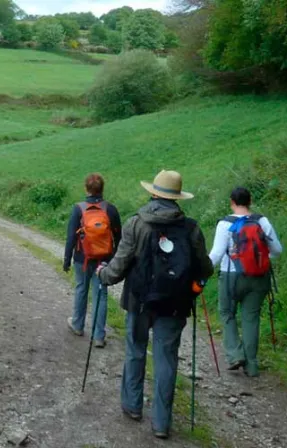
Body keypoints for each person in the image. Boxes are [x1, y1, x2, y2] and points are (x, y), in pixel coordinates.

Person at [96, 170, 213, 439]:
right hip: (174, 305)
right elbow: (205, 269)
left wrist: (103, 274)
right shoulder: (191, 228)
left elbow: (119, 266)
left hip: (139, 301)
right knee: (166, 359)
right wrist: (193, 290)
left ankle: (132, 406)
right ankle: (161, 423)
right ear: (178, 198)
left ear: (153, 193)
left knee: (136, 350)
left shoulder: (137, 223)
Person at [209, 187, 283, 377]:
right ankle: (252, 366)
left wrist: (201, 270)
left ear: (231, 201)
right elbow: (277, 250)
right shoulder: (262, 221)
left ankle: (235, 355)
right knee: (251, 318)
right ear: (250, 201)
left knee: (227, 313)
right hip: (259, 277)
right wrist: (259, 260)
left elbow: (217, 254)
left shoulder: (225, 224)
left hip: (231, 277)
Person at [63, 173, 122, 348]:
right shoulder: (110, 209)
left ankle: (78, 325)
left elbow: (70, 238)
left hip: (82, 258)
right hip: (103, 261)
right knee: (101, 295)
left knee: (81, 289)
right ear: (102, 189)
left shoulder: (78, 209)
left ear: (86, 189)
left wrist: (67, 259)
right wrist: (113, 258)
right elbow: (119, 237)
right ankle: (98, 336)